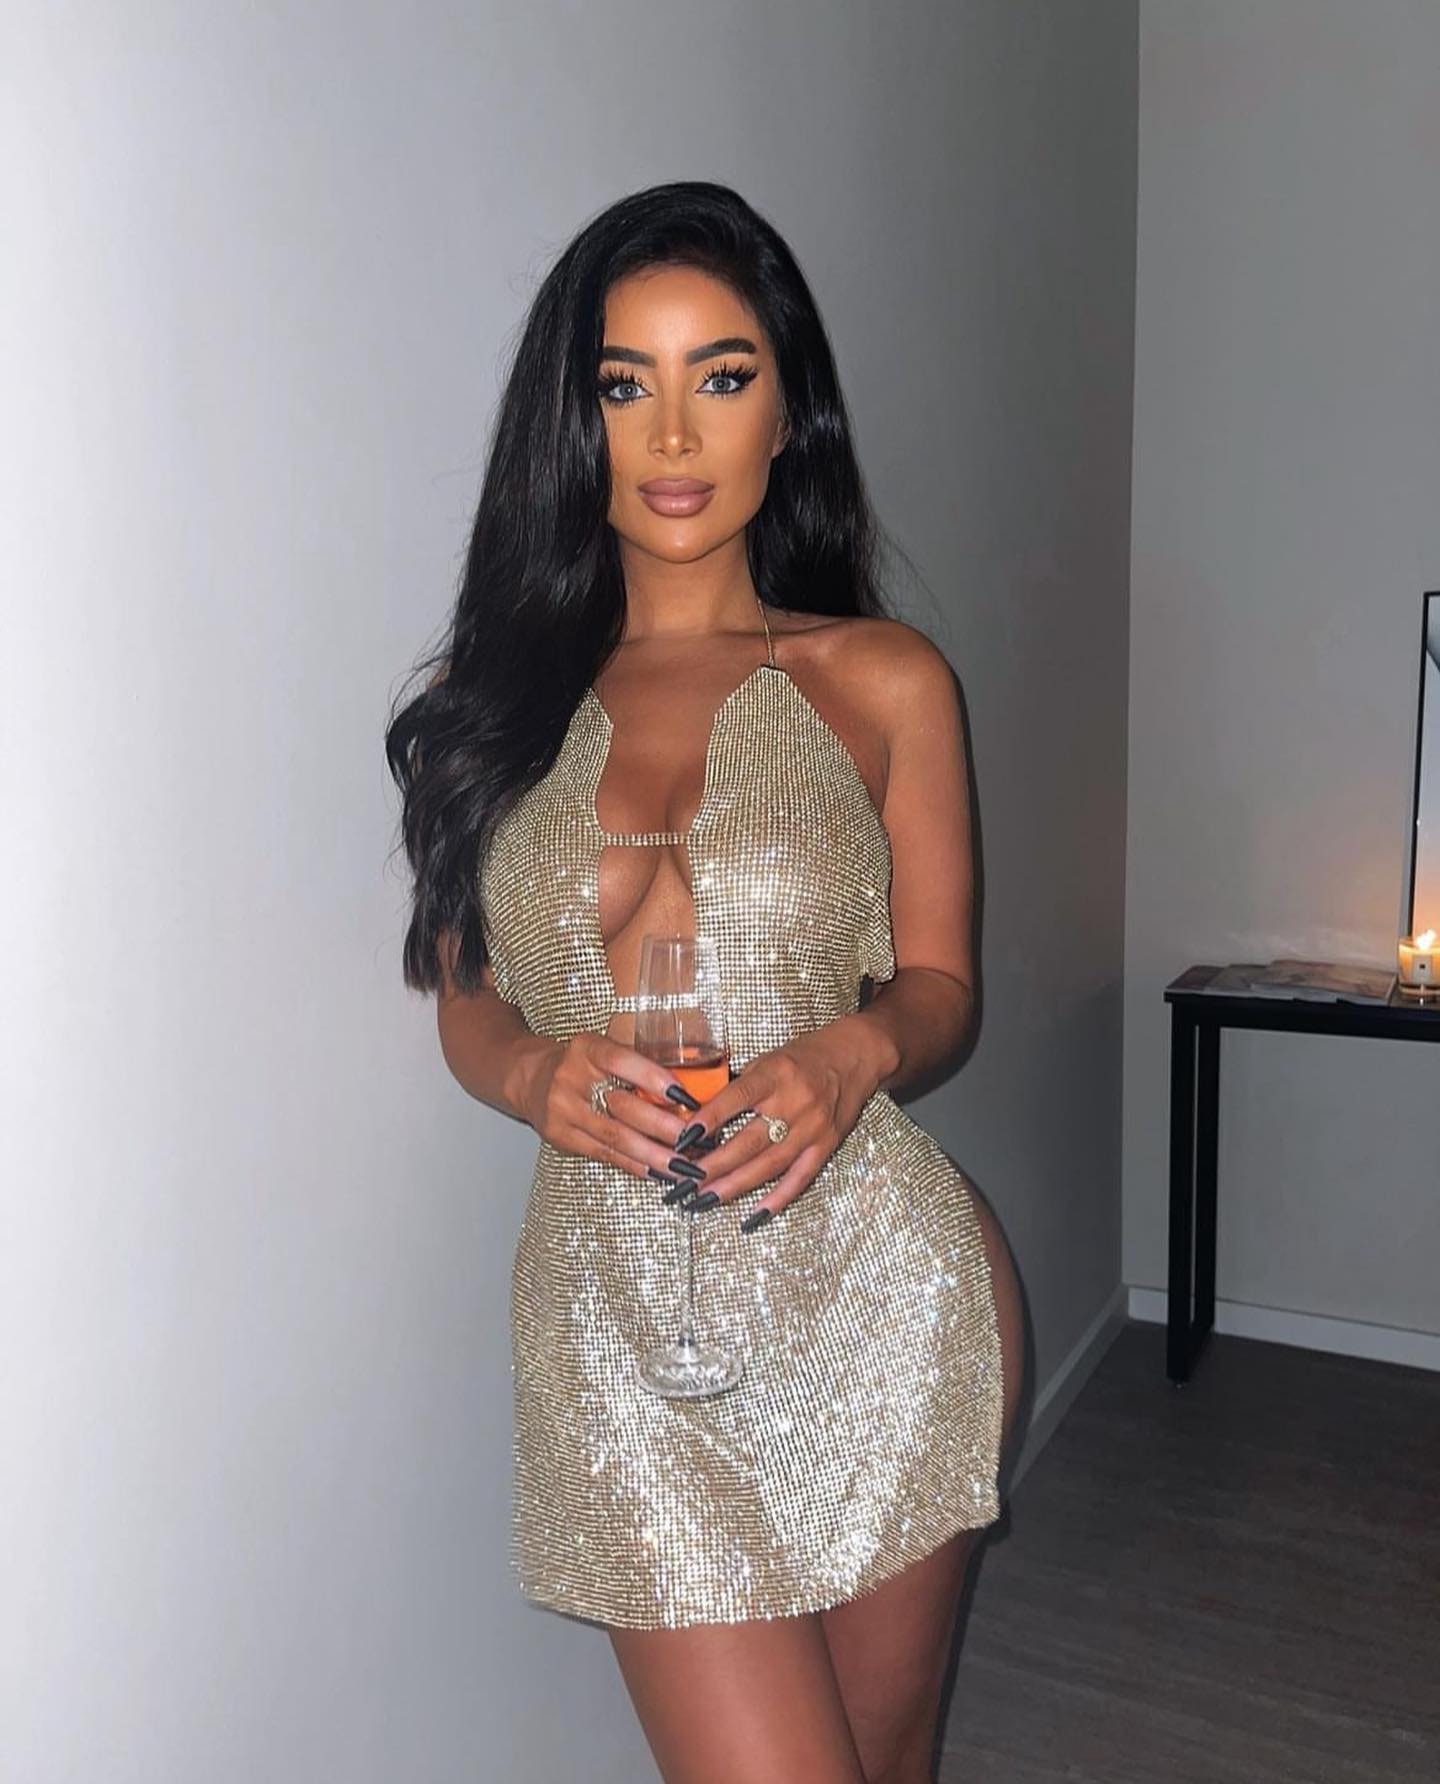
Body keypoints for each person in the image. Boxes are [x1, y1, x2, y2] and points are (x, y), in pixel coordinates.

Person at [385, 180, 1025, 1784]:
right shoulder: (490, 700)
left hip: (880, 1292)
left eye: (722, 376)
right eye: (625, 383)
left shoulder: (885, 678)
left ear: (788, 412)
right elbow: (467, 996)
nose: (673, 433)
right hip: (612, 1323)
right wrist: (528, 1071)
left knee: (883, 1760)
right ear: (573, 419)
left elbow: (943, 984)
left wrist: (855, 1051)